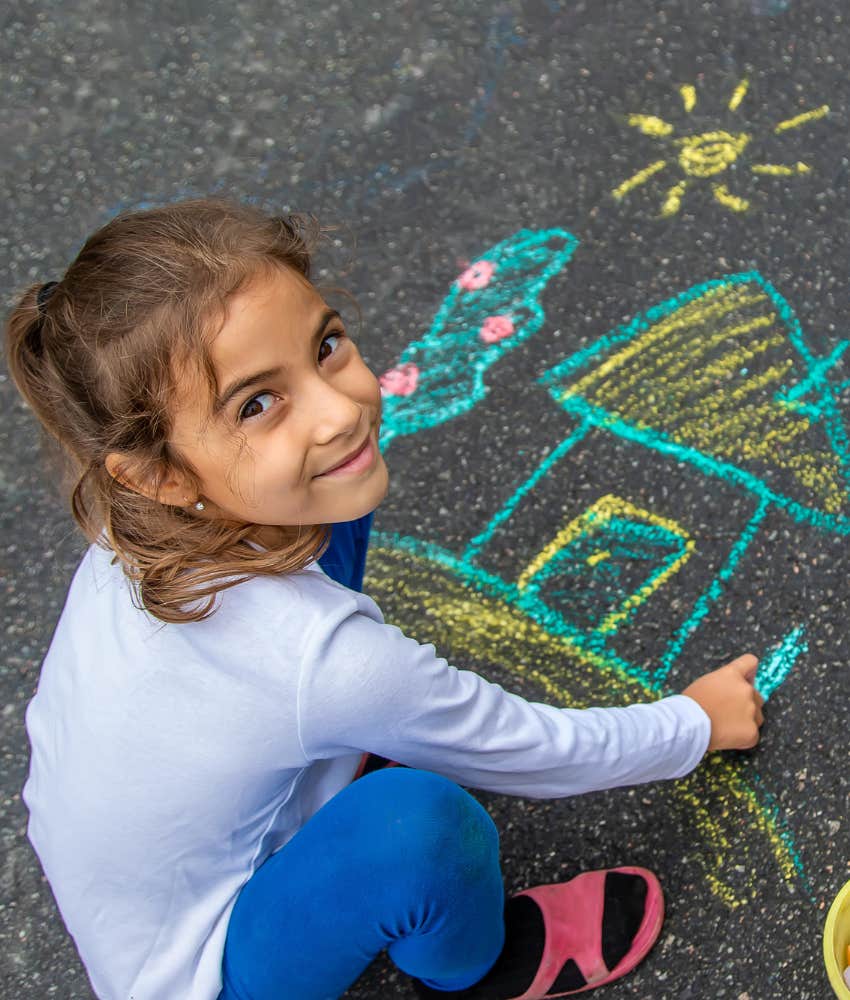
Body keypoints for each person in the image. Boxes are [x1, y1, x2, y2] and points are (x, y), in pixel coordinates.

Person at [5, 199, 764, 1000]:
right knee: (417, 827)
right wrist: (694, 724)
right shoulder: (317, 658)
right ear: (157, 473)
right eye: (256, 404)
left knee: (337, 502)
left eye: (326, 347)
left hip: (141, 864)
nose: (342, 409)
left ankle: (343, 768)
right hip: (203, 967)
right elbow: (532, 751)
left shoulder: (135, 525)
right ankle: (475, 965)